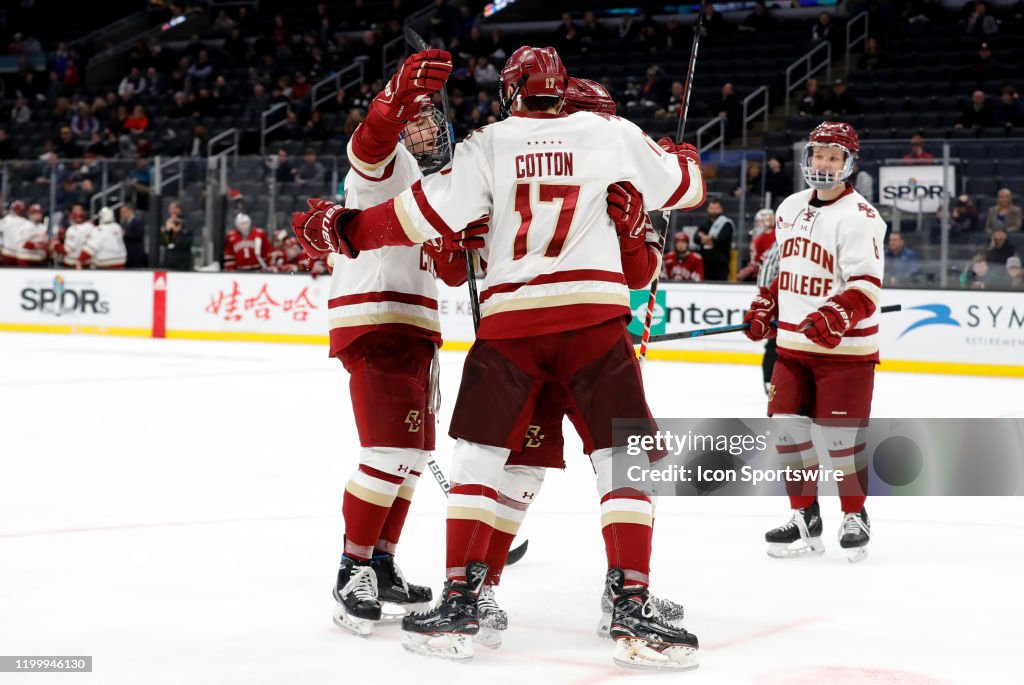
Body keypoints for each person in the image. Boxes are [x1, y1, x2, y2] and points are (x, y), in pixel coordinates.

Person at [292, 45, 706, 669]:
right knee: (622, 457)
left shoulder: (486, 144)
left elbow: (421, 215)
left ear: (511, 92)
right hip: (592, 322)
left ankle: (461, 594)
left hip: (510, 329)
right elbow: (689, 188)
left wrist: (347, 231)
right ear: (565, 90)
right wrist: (682, 158)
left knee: (479, 459)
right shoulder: (611, 133)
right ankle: (631, 597)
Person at [465, 78, 687, 648]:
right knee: (528, 468)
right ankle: (484, 585)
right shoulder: (570, 157)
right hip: (556, 339)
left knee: (547, 467)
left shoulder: (585, 165)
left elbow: (638, 276)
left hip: (561, 338)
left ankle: (617, 588)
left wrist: (635, 234)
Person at [304, 50, 478, 639]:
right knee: (385, 453)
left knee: (406, 463)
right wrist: (391, 99)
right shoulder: (385, 164)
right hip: (375, 322)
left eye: (432, 120)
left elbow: (453, 274)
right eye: (416, 119)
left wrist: (465, 246)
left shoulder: (441, 186)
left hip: (418, 332)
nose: (426, 129)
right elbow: (368, 144)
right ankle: (349, 567)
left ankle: (380, 563)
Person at [742, 121, 886, 563]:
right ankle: (805, 515)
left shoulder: (862, 218)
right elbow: (785, 273)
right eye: (819, 154)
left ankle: (854, 514)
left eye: (833, 157)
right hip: (792, 348)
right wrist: (766, 304)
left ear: (849, 164)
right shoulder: (788, 208)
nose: (824, 163)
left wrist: (835, 313)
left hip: (845, 352)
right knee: (788, 429)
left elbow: (866, 288)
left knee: (841, 439)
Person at [695, 199, 734, 281]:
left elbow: (721, 240)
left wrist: (705, 238)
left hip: (720, 264)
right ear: (708, 209)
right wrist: (711, 238)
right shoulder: (704, 224)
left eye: (716, 208)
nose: (714, 211)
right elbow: (696, 239)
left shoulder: (726, 224)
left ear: (721, 209)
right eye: (711, 208)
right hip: (705, 263)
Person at [736, 208, 776, 282]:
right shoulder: (760, 235)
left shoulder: (769, 234)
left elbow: (768, 256)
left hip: (762, 274)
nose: (757, 223)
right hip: (757, 272)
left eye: (759, 221)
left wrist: (752, 269)